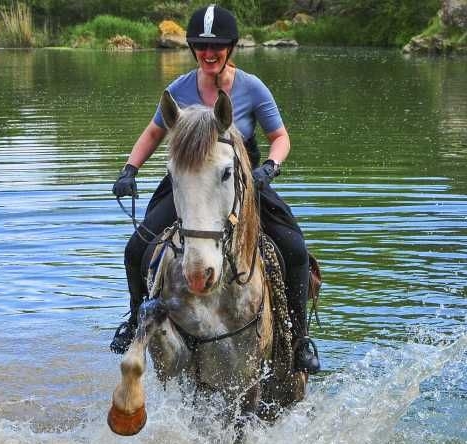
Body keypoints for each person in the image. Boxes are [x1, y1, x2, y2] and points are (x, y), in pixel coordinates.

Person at [110, 4, 320, 374]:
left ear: (231, 48)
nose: (209, 54)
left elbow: (280, 137)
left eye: (217, 46)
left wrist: (270, 167)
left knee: (295, 249)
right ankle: (134, 320)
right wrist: (130, 169)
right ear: (192, 49)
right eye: (201, 47)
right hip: (189, 183)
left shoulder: (252, 88)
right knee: (136, 248)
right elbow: (154, 132)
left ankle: (299, 338)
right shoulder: (179, 88)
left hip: (240, 182)